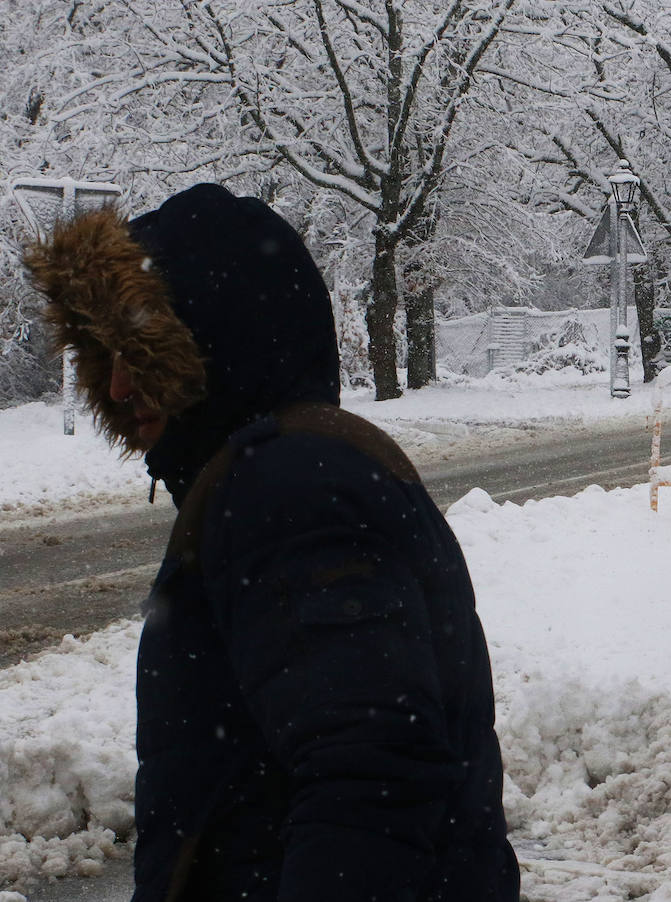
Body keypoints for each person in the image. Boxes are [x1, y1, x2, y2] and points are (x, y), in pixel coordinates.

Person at [24, 183, 519, 902]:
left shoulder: (288, 488)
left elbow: (372, 784)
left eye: (142, 354)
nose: (123, 385)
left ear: (221, 343)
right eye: (106, 358)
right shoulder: (272, 472)